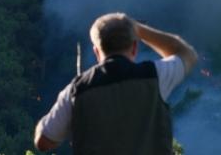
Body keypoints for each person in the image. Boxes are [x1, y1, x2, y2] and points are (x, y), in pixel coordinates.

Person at [34, 13, 198, 155]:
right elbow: (187, 54)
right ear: (134, 48)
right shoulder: (155, 76)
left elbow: (43, 141)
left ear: (97, 52)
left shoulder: (76, 90)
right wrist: (138, 29)